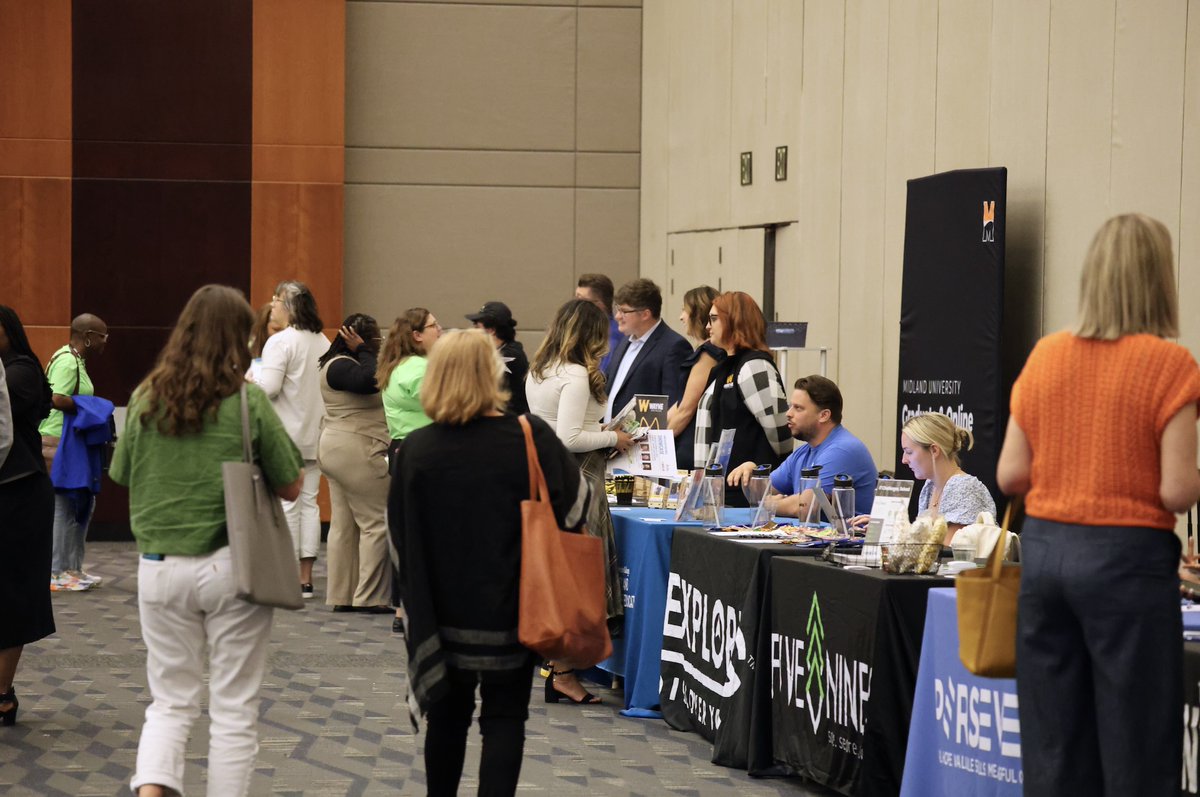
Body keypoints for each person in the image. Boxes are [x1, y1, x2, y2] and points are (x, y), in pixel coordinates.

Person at [996, 213, 1200, 797]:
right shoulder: (1171, 365)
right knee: (1136, 747)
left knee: (1055, 746)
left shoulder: (1047, 356)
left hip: (1047, 557)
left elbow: (1011, 472)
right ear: (1160, 281)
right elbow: (1177, 491)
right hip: (1127, 564)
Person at [109, 285, 304, 796]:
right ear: (241, 338)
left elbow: (122, 473)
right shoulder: (247, 401)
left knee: (170, 700)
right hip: (231, 566)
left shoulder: (146, 395)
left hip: (157, 567)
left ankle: (152, 790)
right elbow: (291, 482)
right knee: (233, 707)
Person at [391, 329, 588, 797]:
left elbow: (399, 540)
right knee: (505, 718)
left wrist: (409, 604)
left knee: (448, 716)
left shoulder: (417, 449)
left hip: (442, 614)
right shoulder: (528, 436)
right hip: (517, 605)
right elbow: (578, 507)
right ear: (492, 374)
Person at [526, 298, 632, 704]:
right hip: (580, 480)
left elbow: (558, 430)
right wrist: (614, 438)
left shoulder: (541, 371)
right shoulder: (574, 374)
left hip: (553, 478)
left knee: (563, 576)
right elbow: (571, 438)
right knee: (579, 577)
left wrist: (601, 431)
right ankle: (563, 672)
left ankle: (560, 669)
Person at [255, 280, 330, 599]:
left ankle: (283, 575)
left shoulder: (281, 342)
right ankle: (305, 578)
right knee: (310, 504)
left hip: (283, 436)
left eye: (276, 300)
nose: (272, 305)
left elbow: (268, 387)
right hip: (316, 434)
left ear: (289, 306)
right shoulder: (323, 341)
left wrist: (249, 376)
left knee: (286, 506)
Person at [0, 306, 55, 727]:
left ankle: (2, 692)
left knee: (13, 596)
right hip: (15, 492)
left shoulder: (20, 372)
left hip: (18, 496)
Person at [318, 314, 392, 613]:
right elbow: (371, 381)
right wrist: (364, 350)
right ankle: (370, 597)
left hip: (337, 449)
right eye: (375, 338)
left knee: (344, 525)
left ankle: (342, 594)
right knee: (377, 522)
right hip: (357, 448)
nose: (379, 344)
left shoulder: (332, 364)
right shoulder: (342, 366)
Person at [378, 306, 442, 632]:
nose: (440, 330)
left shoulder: (397, 365)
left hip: (402, 449)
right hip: (423, 453)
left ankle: (402, 608)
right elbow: (446, 404)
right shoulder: (418, 369)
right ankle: (414, 606)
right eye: (433, 326)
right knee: (424, 534)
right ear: (417, 335)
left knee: (406, 531)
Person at [729, 374, 877, 516]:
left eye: (798, 408)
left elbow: (806, 507)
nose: (788, 413)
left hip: (849, 539)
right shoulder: (804, 452)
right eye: (790, 406)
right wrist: (750, 475)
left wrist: (769, 504)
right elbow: (762, 495)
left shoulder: (843, 450)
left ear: (824, 415)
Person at [692, 292, 790, 506]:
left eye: (714, 319)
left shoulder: (755, 366)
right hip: (719, 492)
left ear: (735, 320)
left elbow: (781, 434)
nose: (708, 326)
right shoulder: (721, 368)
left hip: (745, 495)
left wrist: (767, 475)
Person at [39, 312, 109, 591]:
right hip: (57, 442)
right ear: (89, 338)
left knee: (80, 504)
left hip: (69, 442)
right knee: (65, 506)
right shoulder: (68, 361)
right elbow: (54, 398)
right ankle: (56, 572)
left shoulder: (73, 359)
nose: (106, 342)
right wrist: (90, 407)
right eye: (103, 336)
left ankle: (72, 569)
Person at [603, 278, 692, 423]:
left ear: (645, 314)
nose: (617, 316)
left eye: (624, 311)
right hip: (608, 439)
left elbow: (671, 405)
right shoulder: (624, 342)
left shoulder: (674, 347)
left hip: (641, 442)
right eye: (617, 309)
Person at [900, 412, 995, 543]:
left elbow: (946, 552)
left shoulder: (963, 489)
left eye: (909, 452)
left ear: (934, 450)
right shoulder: (929, 487)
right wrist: (888, 528)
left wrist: (898, 534)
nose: (904, 460)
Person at [666, 285, 723, 471]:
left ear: (698, 314)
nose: (681, 317)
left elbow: (686, 409)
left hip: (690, 447)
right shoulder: (705, 352)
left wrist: (657, 446)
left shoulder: (708, 355)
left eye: (685, 310)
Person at [467, 301, 529, 415]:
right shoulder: (502, 351)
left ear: (491, 330)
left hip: (512, 423)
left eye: (476, 326)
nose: (472, 331)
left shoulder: (510, 355)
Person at [575, 273, 622, 373]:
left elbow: (601, 380)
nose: (575, 306)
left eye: (581, 301)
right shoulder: (578, 330)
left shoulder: (613, 338)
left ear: (599, 305)